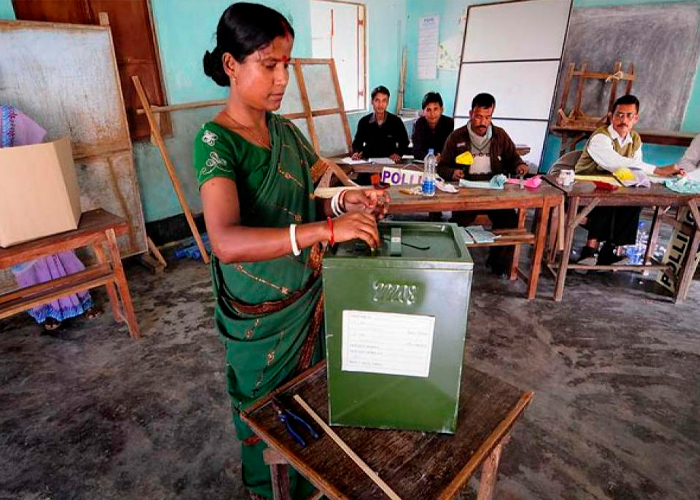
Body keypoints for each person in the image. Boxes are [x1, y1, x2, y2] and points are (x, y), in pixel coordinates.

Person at [194, 4, 389, 499]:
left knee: (313, 399)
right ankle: (268, 490)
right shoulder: (216, 141)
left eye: (287, 64)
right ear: (231, 65)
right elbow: (225, 241)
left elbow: (318, 186)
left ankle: (309, 485)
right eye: (268, 64)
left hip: (306, 293)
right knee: (265, 411)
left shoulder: (283, 130)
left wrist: (351, 199)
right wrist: (326, 229)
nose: (282, 78)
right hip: (260, 312)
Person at [1, 104, 101, 331]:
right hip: (7, 212)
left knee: (60, 251)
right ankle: (48, 311)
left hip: (33, 195)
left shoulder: (10, 117)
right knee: (26, 263)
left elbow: (39, 155)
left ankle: (82, 301)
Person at [574, 94, 683, 266]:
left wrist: (666, 176)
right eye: (619, 114)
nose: (623, 120)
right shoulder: (600, 137)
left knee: (633, 200)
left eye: (629, 115)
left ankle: (609, 250)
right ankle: (589, 251)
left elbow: (636, 167)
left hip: (616, 183)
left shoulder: (635, 139)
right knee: (606, 199)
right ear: (611, 116)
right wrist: (659, 170)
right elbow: (616, 163)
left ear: (636, 118)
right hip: (585, 186)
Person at [438, 93, 528, 276]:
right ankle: (456, 265)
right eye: (479, 117)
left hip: (495, 192)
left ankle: (499, 264)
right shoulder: (457, 137)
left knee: (510, 222)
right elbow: (441, 167)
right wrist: (452, 172)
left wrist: (520, 166)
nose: (483, 122)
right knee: (457, 225)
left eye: (488, 117)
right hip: (467, 191)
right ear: (471, 114)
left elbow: (514, 159)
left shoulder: (500, 135)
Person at [351, 85, 409, 163]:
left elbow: (404, 142)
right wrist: (357, 152)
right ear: (372, 102)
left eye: (384, 100)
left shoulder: (396, 121)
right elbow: (357, 142)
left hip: (390, 161)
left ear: (387, 102)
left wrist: (398, 153)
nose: (380, 104)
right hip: (369, 161)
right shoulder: (364, 122)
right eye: (377, 100)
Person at [412, 91, 454, 161]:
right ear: (423, 112)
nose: (432, 114)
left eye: (435, 109)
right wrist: (433, 158)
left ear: (441, 110)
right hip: (425, 163)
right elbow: (416, 152)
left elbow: (452, 150)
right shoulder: (419, 123)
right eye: (428, 110)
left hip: (444, 164)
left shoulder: (449, 123)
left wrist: (441, 157)